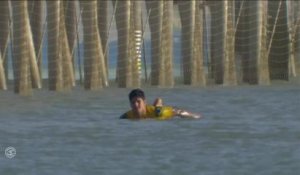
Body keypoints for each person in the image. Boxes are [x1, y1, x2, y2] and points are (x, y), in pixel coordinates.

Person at [120, 89, 202, 120]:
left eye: (138, 101)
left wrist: (195, 116)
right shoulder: (126, 117)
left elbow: (177, 112)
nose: (136, 105)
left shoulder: (158, 112)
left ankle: (158, 102)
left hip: (171, 111)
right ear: (130, 104)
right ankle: (157, 102)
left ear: (144, 102)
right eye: (133, 102)